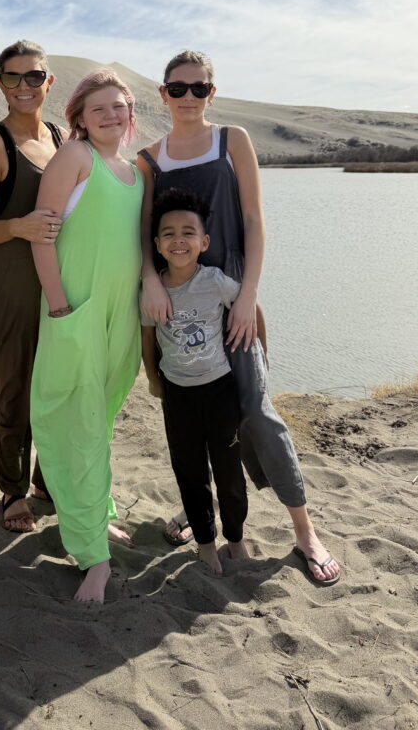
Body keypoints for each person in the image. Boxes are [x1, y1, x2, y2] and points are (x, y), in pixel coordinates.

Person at [138, 51, 341, 586]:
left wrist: (248, 294)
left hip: (232, 298)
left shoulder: (233, 141)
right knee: (195, 414)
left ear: (212, 91)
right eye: (177, 88)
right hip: (179, 304)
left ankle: (304, 530)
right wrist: (151, 280)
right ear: (163, 94)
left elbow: (253, 219)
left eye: (198, 88)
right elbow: (143, 233)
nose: (187, 97)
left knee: (256, 409)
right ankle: (199, 512)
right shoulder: (149, 159)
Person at [30, 69, 143, 603]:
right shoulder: (75, 157)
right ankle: (92, 552)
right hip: (76, 310)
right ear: (79, 117)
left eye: (118, 106)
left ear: (130, 113)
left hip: (122, 317)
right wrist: (59, 308)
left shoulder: (135, 172)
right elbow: (42, 237)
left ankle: (96, 514)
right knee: (76, 424)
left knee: (99, 421)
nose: (110, 115)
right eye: (98, 108)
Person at [0, 41, 63, 533]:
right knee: (13, 384)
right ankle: (12, 489)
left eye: (33, 76)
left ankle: (48, 481)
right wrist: (18, 227)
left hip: (57, 281)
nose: (23, 86)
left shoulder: (62, 137)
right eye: (12, 77)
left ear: (49, 82)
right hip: (9, 279)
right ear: (0, 84)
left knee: (57, 380)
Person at [141, 190, 248, 576]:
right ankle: (205, 543)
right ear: (157, 244)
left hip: (220, 390)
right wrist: (153, 378)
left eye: (188, 233)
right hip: (177, 394)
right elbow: (147, 337)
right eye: (168, 233)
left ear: (204, 242)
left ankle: (235, 538)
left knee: (229, 473)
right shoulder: (152, 291)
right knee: (190, 473)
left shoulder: (215, 281)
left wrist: (261, 360)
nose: (178, 240)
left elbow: (249, 309)